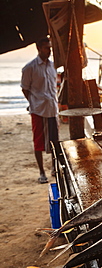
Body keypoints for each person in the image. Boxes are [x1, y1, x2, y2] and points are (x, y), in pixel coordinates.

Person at [21, 37, 59, 184]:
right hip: (38, 110)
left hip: (52, 109)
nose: (49, 51)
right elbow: (25, 88)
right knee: (38, 142)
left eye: (50, 48)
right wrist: (33, 102)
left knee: (54, 141)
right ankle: (42, 172)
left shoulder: (53, 66)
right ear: (39, 48)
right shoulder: (29, 68)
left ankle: (54, 168)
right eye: (46, 48)